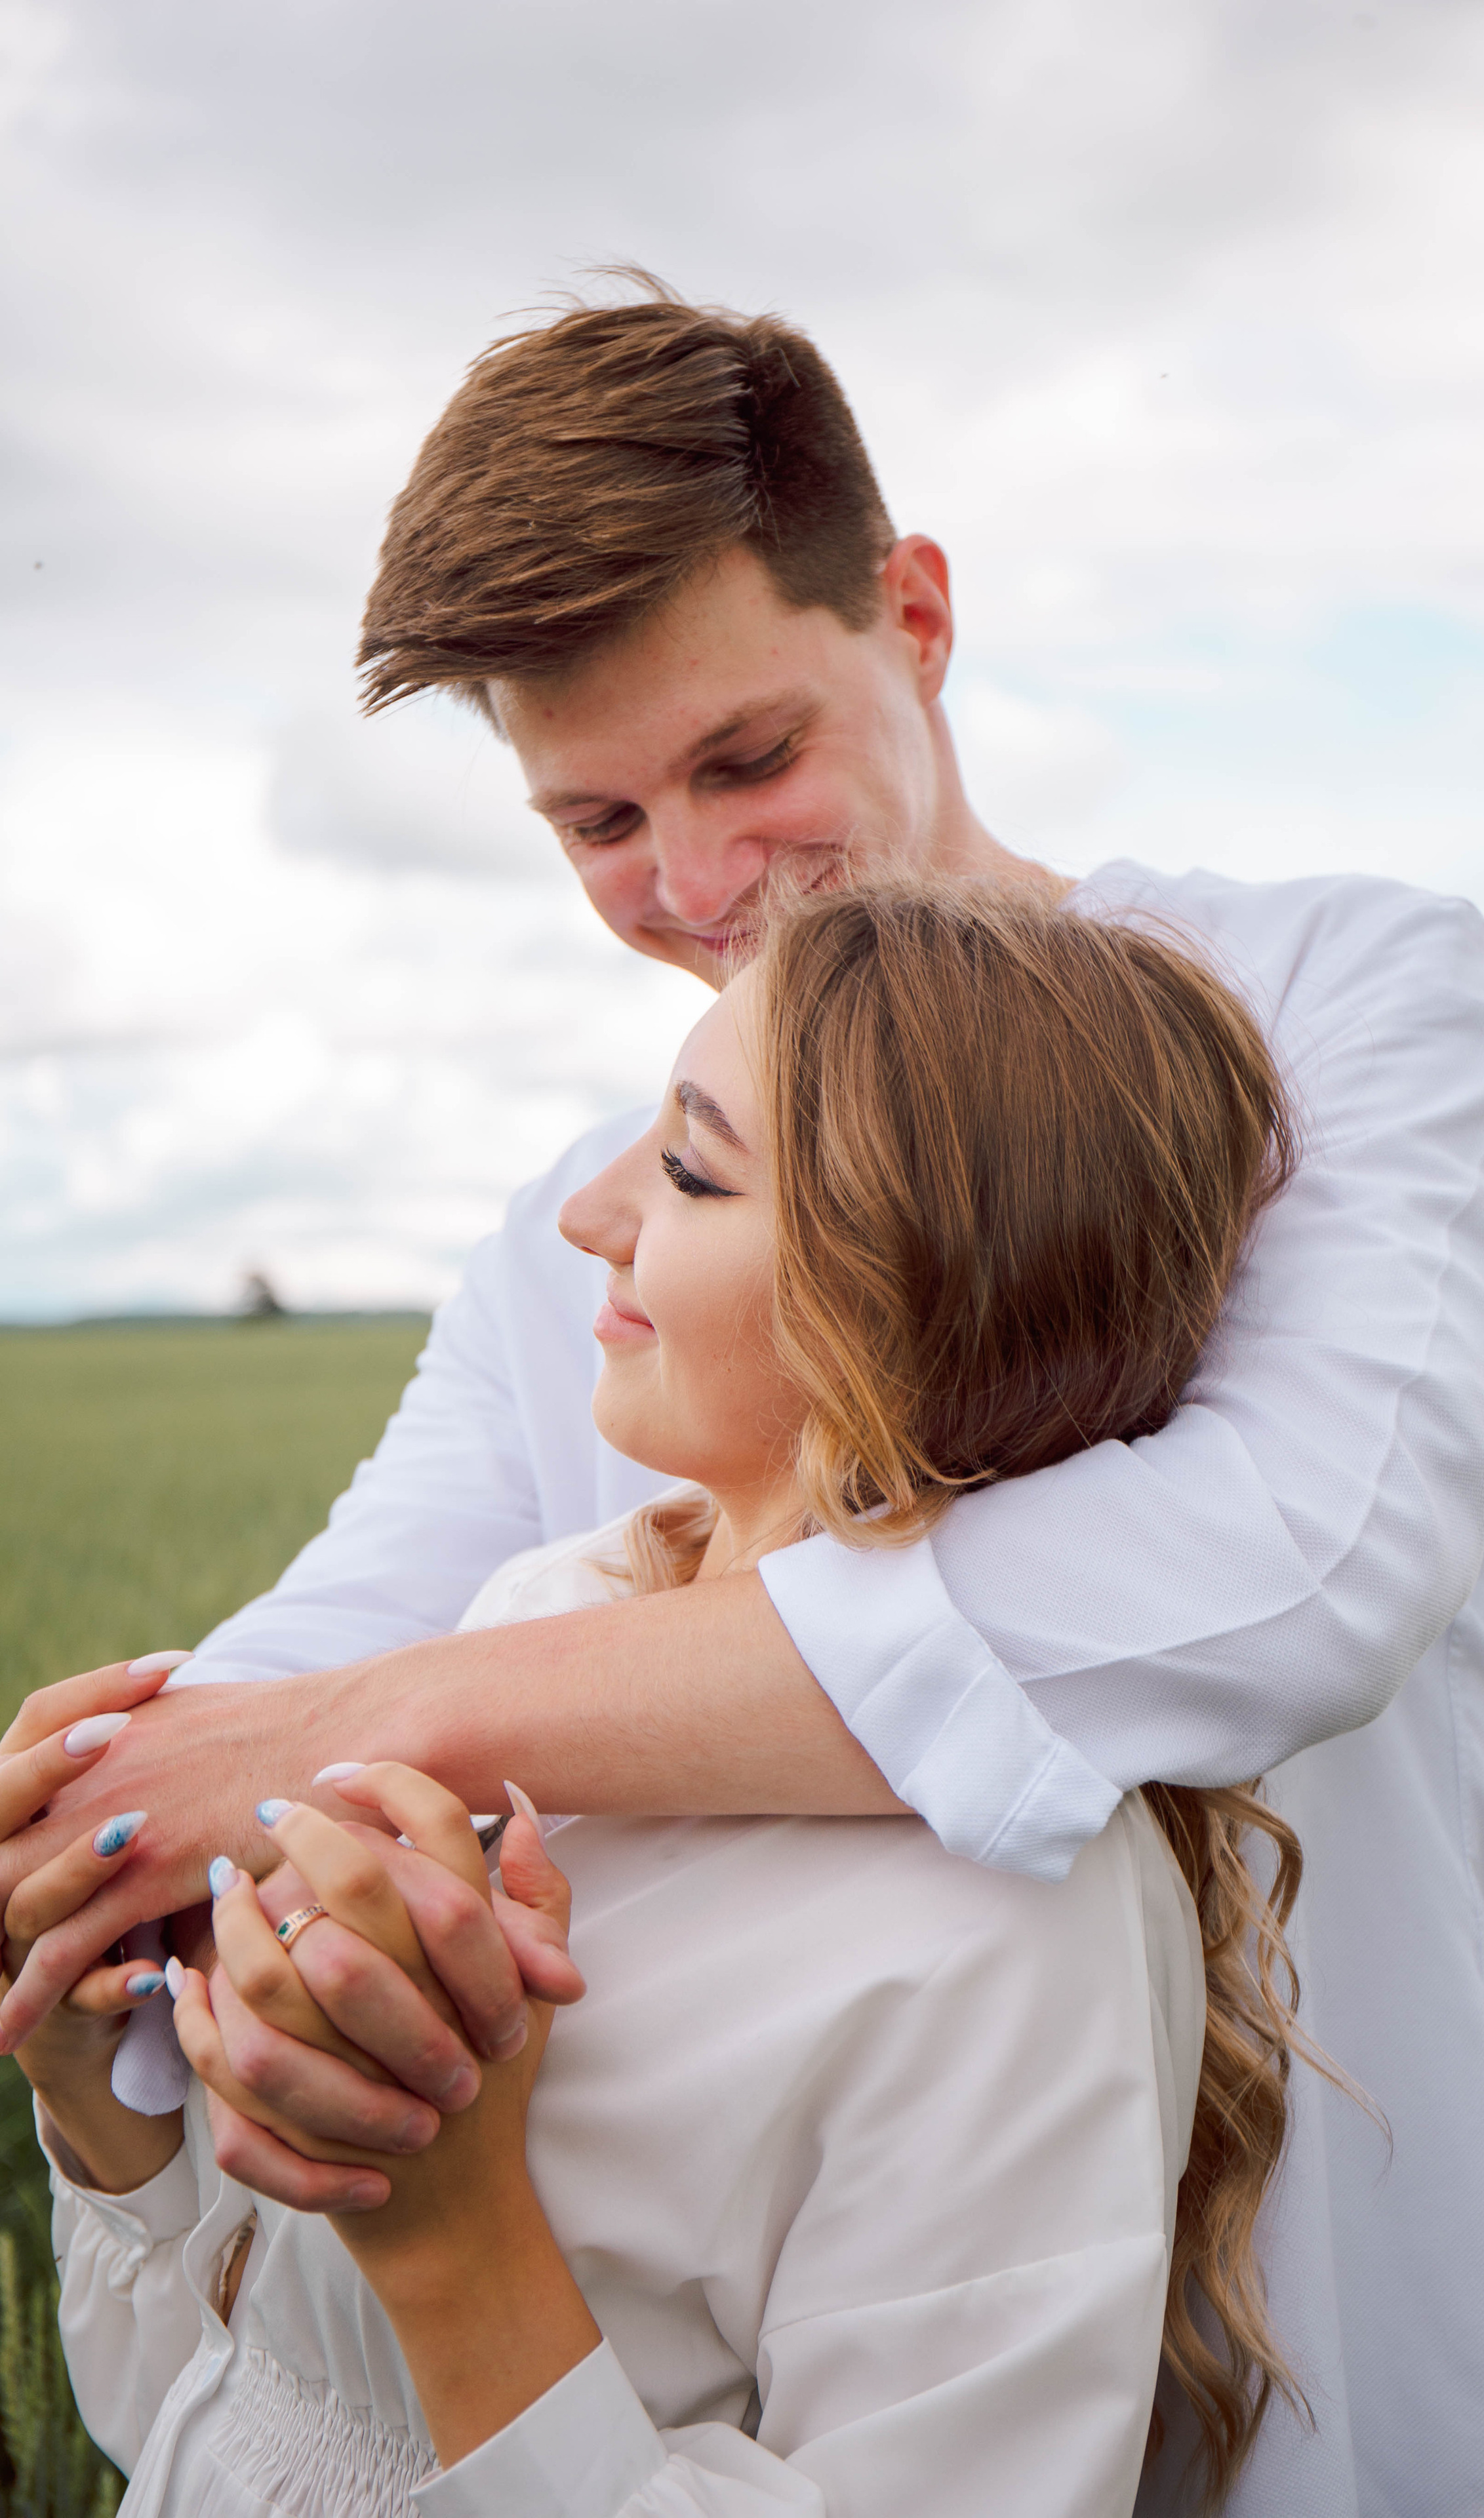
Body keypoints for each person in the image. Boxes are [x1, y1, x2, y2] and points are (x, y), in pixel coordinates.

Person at [0, 282, 1484, 2513]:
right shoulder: (598, 1243)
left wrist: (378, 1728)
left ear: (916, 617)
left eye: (749, 759)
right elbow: (302, 1671)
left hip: (1358, 2408)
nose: (692, 884)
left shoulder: (1329, 1004)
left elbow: (1290, 1567)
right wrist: (126, 1843)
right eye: (595, 818)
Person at [18, 885, 1310, 2515]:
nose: (587, 1215)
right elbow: (221, 2423)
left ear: (927, 1283)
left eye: (692, 1168)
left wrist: (455, 2237)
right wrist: (98, 2091)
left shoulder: (1017, 1931)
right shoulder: (547, 1612)